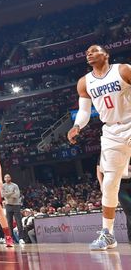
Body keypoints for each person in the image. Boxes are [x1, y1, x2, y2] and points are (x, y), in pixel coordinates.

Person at [68, 44, 131, 250]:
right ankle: (108, 234)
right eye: (86, 52)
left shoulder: (123, 70)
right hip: (111, 131)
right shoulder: (84, 82)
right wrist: (77, 126)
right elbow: (85, 111)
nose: (89, 54)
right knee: (110, 183)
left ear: (106, 54)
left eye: (94, 51)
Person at [96, 162, 131, 244]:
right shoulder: (106, 152)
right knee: (128, 209)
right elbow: (99, 170)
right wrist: (101, 184)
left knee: (128, 213)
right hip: (119, 184)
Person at [1, 173, 23, 243]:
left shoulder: (15, 185)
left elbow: (17, 195)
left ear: (10, 178)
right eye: (5, 177)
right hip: (8, 205)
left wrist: (7, 194)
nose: (7, 178)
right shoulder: (3, 186)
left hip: (16, 204)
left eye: (8, 177)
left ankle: (21, 238)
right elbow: (2, 195)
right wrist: (11, 193)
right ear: (4, 179)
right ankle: (11, 239)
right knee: (9, 223)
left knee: (19, 222)